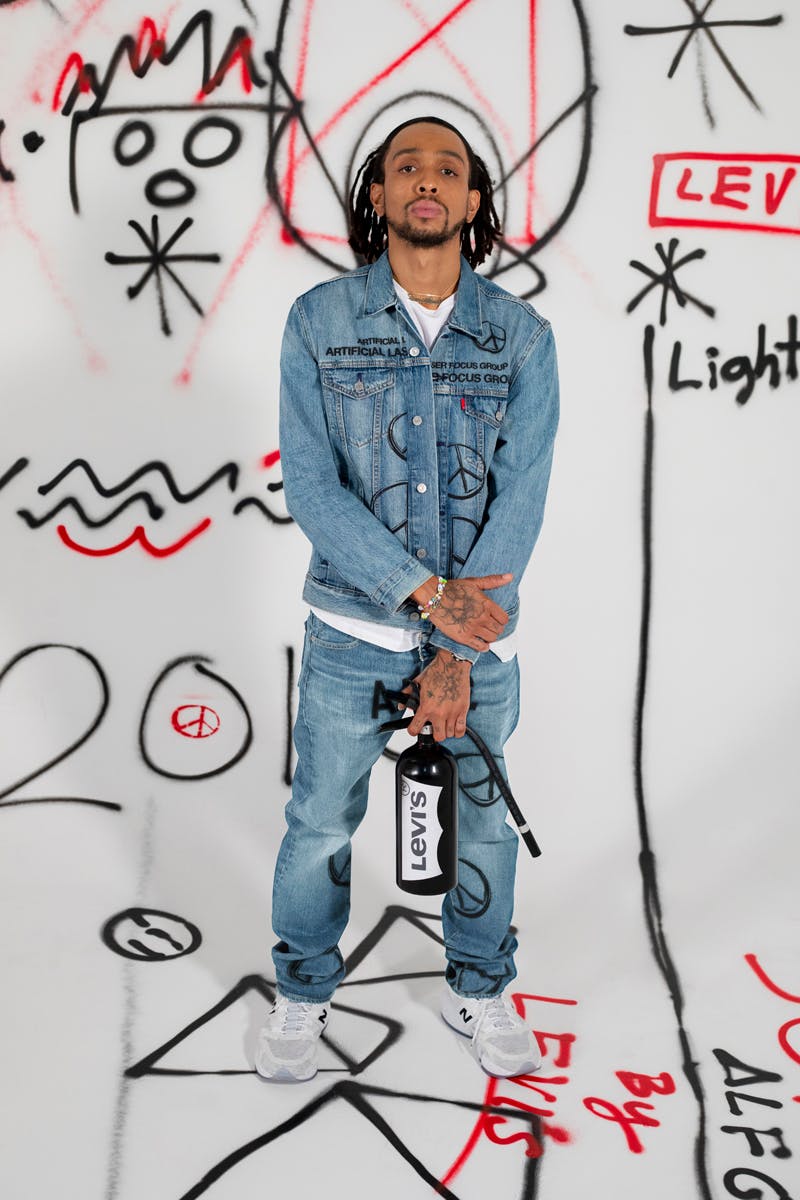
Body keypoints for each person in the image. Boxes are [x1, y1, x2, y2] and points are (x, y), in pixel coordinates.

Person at [255, 116, 559, 1083]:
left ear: (473, 201)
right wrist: (428, 596)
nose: (427, 181)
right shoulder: (318, 321)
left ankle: (479, 985)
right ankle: (304, 991)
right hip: (353, 631)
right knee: (320, 821)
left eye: (448, 169)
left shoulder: (522, 337)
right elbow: (312, 486)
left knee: (484, 821)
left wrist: (457, 652)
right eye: (406, 167)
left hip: (481, 647)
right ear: (378, 195)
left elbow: (521, 497)